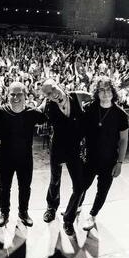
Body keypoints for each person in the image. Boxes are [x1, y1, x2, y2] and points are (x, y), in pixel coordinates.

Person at [77, 76, 129, 231]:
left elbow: (124, 140)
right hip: (89, 158)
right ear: (97, 92)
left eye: (108, 89)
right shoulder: (90, 108)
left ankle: (92, 215)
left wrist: (120, 163)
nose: (105, 93)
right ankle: (76, 207)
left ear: (113, 92)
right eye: (101, 90)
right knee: (81, 186)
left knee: (102, 190)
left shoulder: (121, 114)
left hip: (109, 160)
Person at [0, 81, 46, 227]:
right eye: (12, 94)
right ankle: (4, 213)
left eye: (19, 94)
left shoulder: (32, 112)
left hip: (25, 156)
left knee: (25, 187)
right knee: (4, 186)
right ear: (7, 95)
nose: (15, 97)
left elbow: (46, 114)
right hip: (5, 156)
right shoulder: (0, 112)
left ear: (25, 96)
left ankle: (23, 212)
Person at [39, 80, 85, 235]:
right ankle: (51, 208)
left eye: (53, 89)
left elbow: (96, 98)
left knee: (79, 186)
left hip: (75, 148)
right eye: (48, 94)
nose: (53, 94)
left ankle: (69, 218)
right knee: (55, 180)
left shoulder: (77, 96)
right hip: (58, 148)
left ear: (59, 85)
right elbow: (34, 112)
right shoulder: (48, 105)